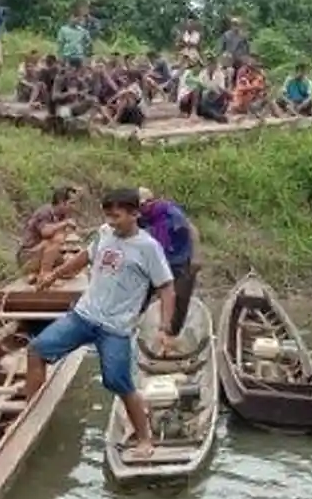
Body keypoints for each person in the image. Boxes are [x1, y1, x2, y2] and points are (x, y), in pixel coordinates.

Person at [25, 188, 175, 458]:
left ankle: (144, 438)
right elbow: (85, 256)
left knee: (119, 383)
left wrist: (164, 329)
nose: (111, 221)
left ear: (134, 214)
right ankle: (29, 419)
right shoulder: (106, 233)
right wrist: (53, 274)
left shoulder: (148, 248)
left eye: (116, 216)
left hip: (116, 327)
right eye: (108, 215)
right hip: (84, 315)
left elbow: (166, 288)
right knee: (36, 350)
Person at [137, 187, 201, 337]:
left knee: (179, 300)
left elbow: (192, 230)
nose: (140, 209)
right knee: (139, 294)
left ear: (151, 202)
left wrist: (196, 257)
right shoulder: (140, 217)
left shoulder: (171, 214)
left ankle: (170, 338)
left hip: (180, 262)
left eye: (142, 205)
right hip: (156, 262)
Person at [18, 186, 81, 281]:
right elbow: (46, 232)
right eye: (71, 203)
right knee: (57, 238)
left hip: (44, 254)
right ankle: (44, 274)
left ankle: (35, 274)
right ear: (61, 202)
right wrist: (65, 223)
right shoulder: (45, 212)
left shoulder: (61, 215)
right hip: (29, 255)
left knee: (74, 264)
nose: (74, 207)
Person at [219, 18, 250, 85]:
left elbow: (246, 49)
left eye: (237, 25)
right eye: (234, 25)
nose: (235, 27)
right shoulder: (226, 35)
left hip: (239, 57)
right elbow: (222, 48)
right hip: (229, 57)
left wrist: (244, 56)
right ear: (231, 25)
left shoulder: (243, 36)